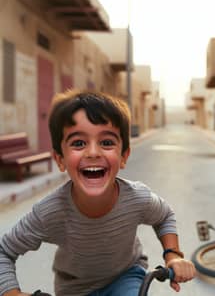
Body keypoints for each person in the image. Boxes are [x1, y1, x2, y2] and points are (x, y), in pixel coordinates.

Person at [0, 90, 195, 296]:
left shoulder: (137, 198)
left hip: (125, 277)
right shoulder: (50, 212)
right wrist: (12, 293)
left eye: (107, 142)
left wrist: (172, 254)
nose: (93, 152)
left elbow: (164, 215)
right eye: (78, 143)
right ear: (60, 159)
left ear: (123, 156)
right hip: (74, 289)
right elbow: (4, 251)